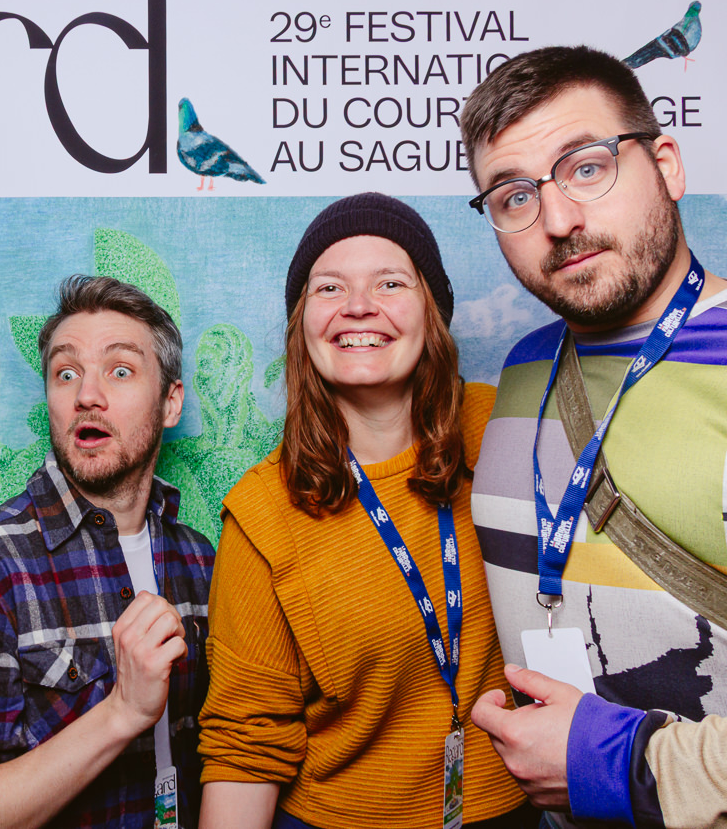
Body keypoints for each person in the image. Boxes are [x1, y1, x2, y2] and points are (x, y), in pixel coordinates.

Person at [461, 45, 727, 828]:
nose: (559, 222)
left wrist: (615, 764)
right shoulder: (523, 372)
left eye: (587, 168)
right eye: (514, 195)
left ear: (666, 166)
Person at [197, 193, 531, 829]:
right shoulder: (264, 511)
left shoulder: (505, 430)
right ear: (302, 325)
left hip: (513, 813)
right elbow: (245, 744)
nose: (357, 306)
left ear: (432, 313)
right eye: (329, 287)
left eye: (389, 283)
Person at [0, 275, 215, 829]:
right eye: (65, 373)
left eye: (120, 371)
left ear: (170, 403)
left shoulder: (199, 559)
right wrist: (122, 712)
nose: (86, 395)